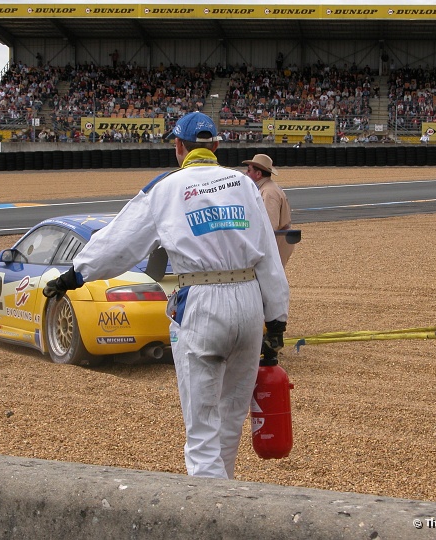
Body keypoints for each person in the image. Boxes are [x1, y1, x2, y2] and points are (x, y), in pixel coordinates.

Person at [42, 112, 289, 479]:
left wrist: (75, 275)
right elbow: (268, 254)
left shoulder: (165, 188)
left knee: (202, 435)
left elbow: (118, 243)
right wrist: (277, 319)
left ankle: (209, 520)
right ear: (216, 147)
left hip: (203, 302)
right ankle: (230, 509)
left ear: (178, 147)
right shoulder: (244, 185)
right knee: (229, 424)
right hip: (250, 303)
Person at [242, 154, 294, 266]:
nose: (246, 173)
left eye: (249, 170)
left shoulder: (268, 192)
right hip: (277, 240)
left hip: (275, 242)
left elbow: (269, 225)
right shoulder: (267, 188)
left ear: (258, 174)